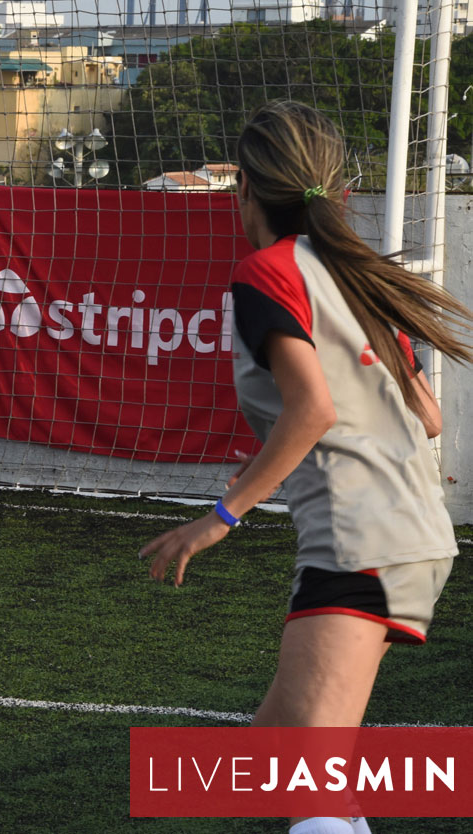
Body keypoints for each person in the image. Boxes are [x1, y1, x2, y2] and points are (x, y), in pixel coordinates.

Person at [141, 101, 471, 834]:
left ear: (243, 191)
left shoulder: (266, 273)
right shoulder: (352, 274)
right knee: (268, 763)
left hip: (359, 541)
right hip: (413, 539)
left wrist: (221, 518)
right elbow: (427, 417)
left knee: (306, 787)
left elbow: (312, 409)